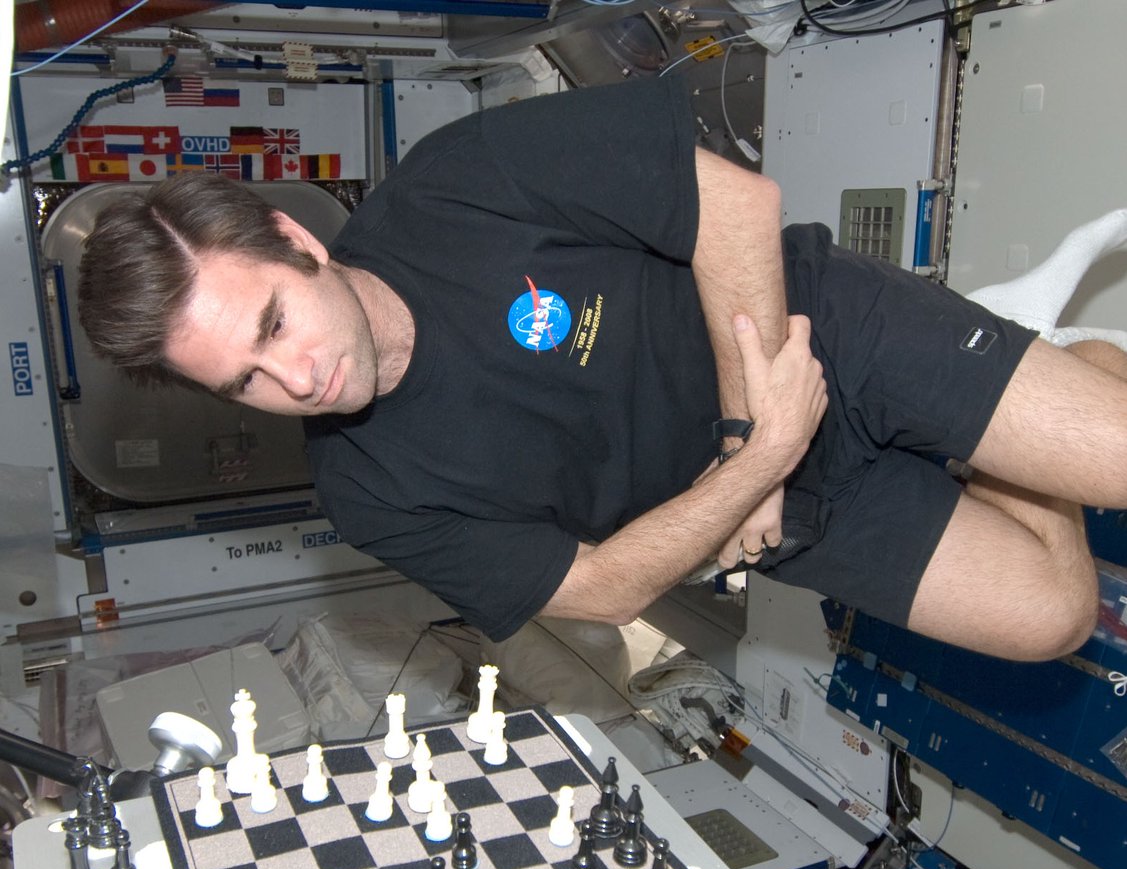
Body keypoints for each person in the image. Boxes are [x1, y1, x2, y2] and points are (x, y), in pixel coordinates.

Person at [77, 76, 1127, 663]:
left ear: (294, 242)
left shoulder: (455, 183)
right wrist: (754, 469)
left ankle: (1009, 385)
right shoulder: (370, 496)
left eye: (272, 322)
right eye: (245, 383)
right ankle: (1054, 367)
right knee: (1047, 621)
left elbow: (737, 210)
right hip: (770, 504)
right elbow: (596, 590)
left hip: (816, 334)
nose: (293, 379)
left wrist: (742, 424)